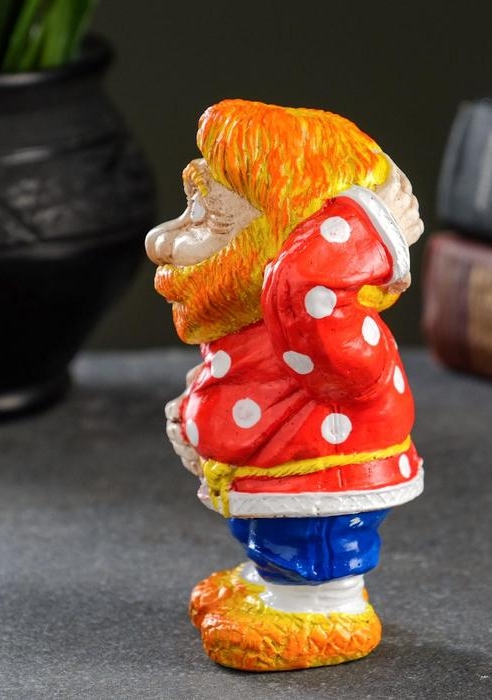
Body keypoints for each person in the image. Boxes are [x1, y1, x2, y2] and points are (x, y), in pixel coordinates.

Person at [145, 99, 424, 670]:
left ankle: (325, 611)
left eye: (207, 215)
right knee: (272, 540)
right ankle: (272, 584)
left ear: (292, 239)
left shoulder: (329, 332)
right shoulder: (254, 330)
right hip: (268, 485)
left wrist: (365, 228)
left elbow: (306, 287)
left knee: (310, 546)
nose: (161, 242)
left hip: (322, 489)